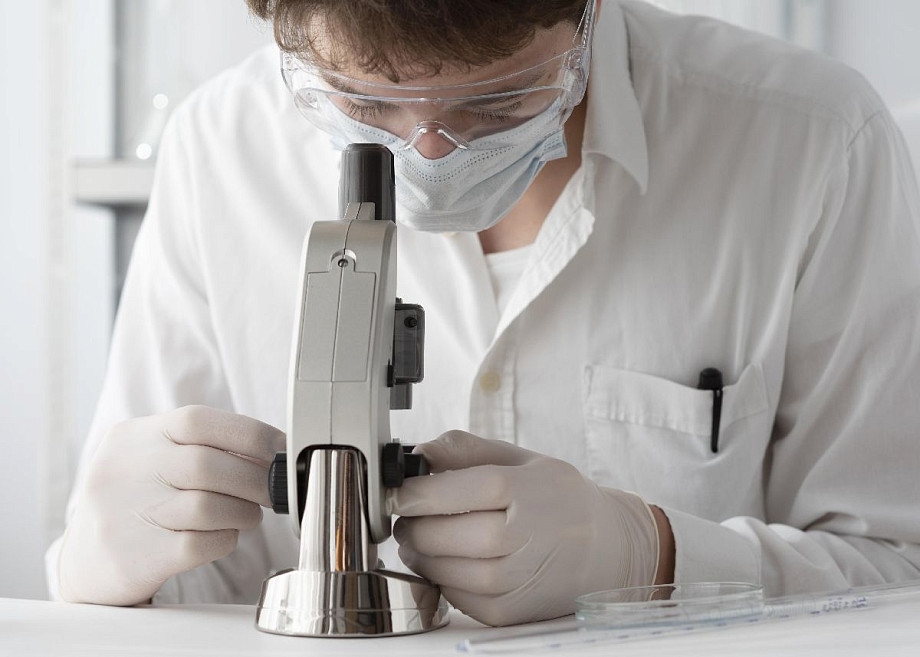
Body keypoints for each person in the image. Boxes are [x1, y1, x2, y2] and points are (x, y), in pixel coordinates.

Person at [47, 0, 920, 627]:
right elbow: (193, 592)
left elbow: (898, 571)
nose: (428, 153)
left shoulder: (814, 142)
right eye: (364, 104)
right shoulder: (220, 151)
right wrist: (102, 569)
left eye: (497, 104)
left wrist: (652, 557)